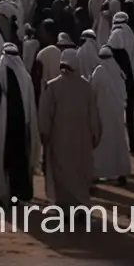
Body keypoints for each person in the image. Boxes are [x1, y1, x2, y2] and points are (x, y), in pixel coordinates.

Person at [37, 54, 98, 206]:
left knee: (63, 174)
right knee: (80, 174)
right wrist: (95, 137)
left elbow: (45, 116)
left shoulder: (52, 86)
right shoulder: (86, 86)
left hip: (60, 140)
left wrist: (44, 135)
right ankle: (81, 206)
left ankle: (66, 208)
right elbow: (94, 117)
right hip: (82, 142)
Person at [0, 43, 36, 203]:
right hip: (21, 127)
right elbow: (30, 104)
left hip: (2, 128)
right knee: (19, 161)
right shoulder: (25, 77)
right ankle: (16, 194)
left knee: (1, 162)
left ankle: (1, 193)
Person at [89, 46, 131, 184]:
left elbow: (92, 92)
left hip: (103, 113)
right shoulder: (118, 72)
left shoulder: (99, 72)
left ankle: (99, 172)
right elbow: (124, 94)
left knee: (103, 142)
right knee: (118, 141)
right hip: (117, 113)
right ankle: (120, 172)